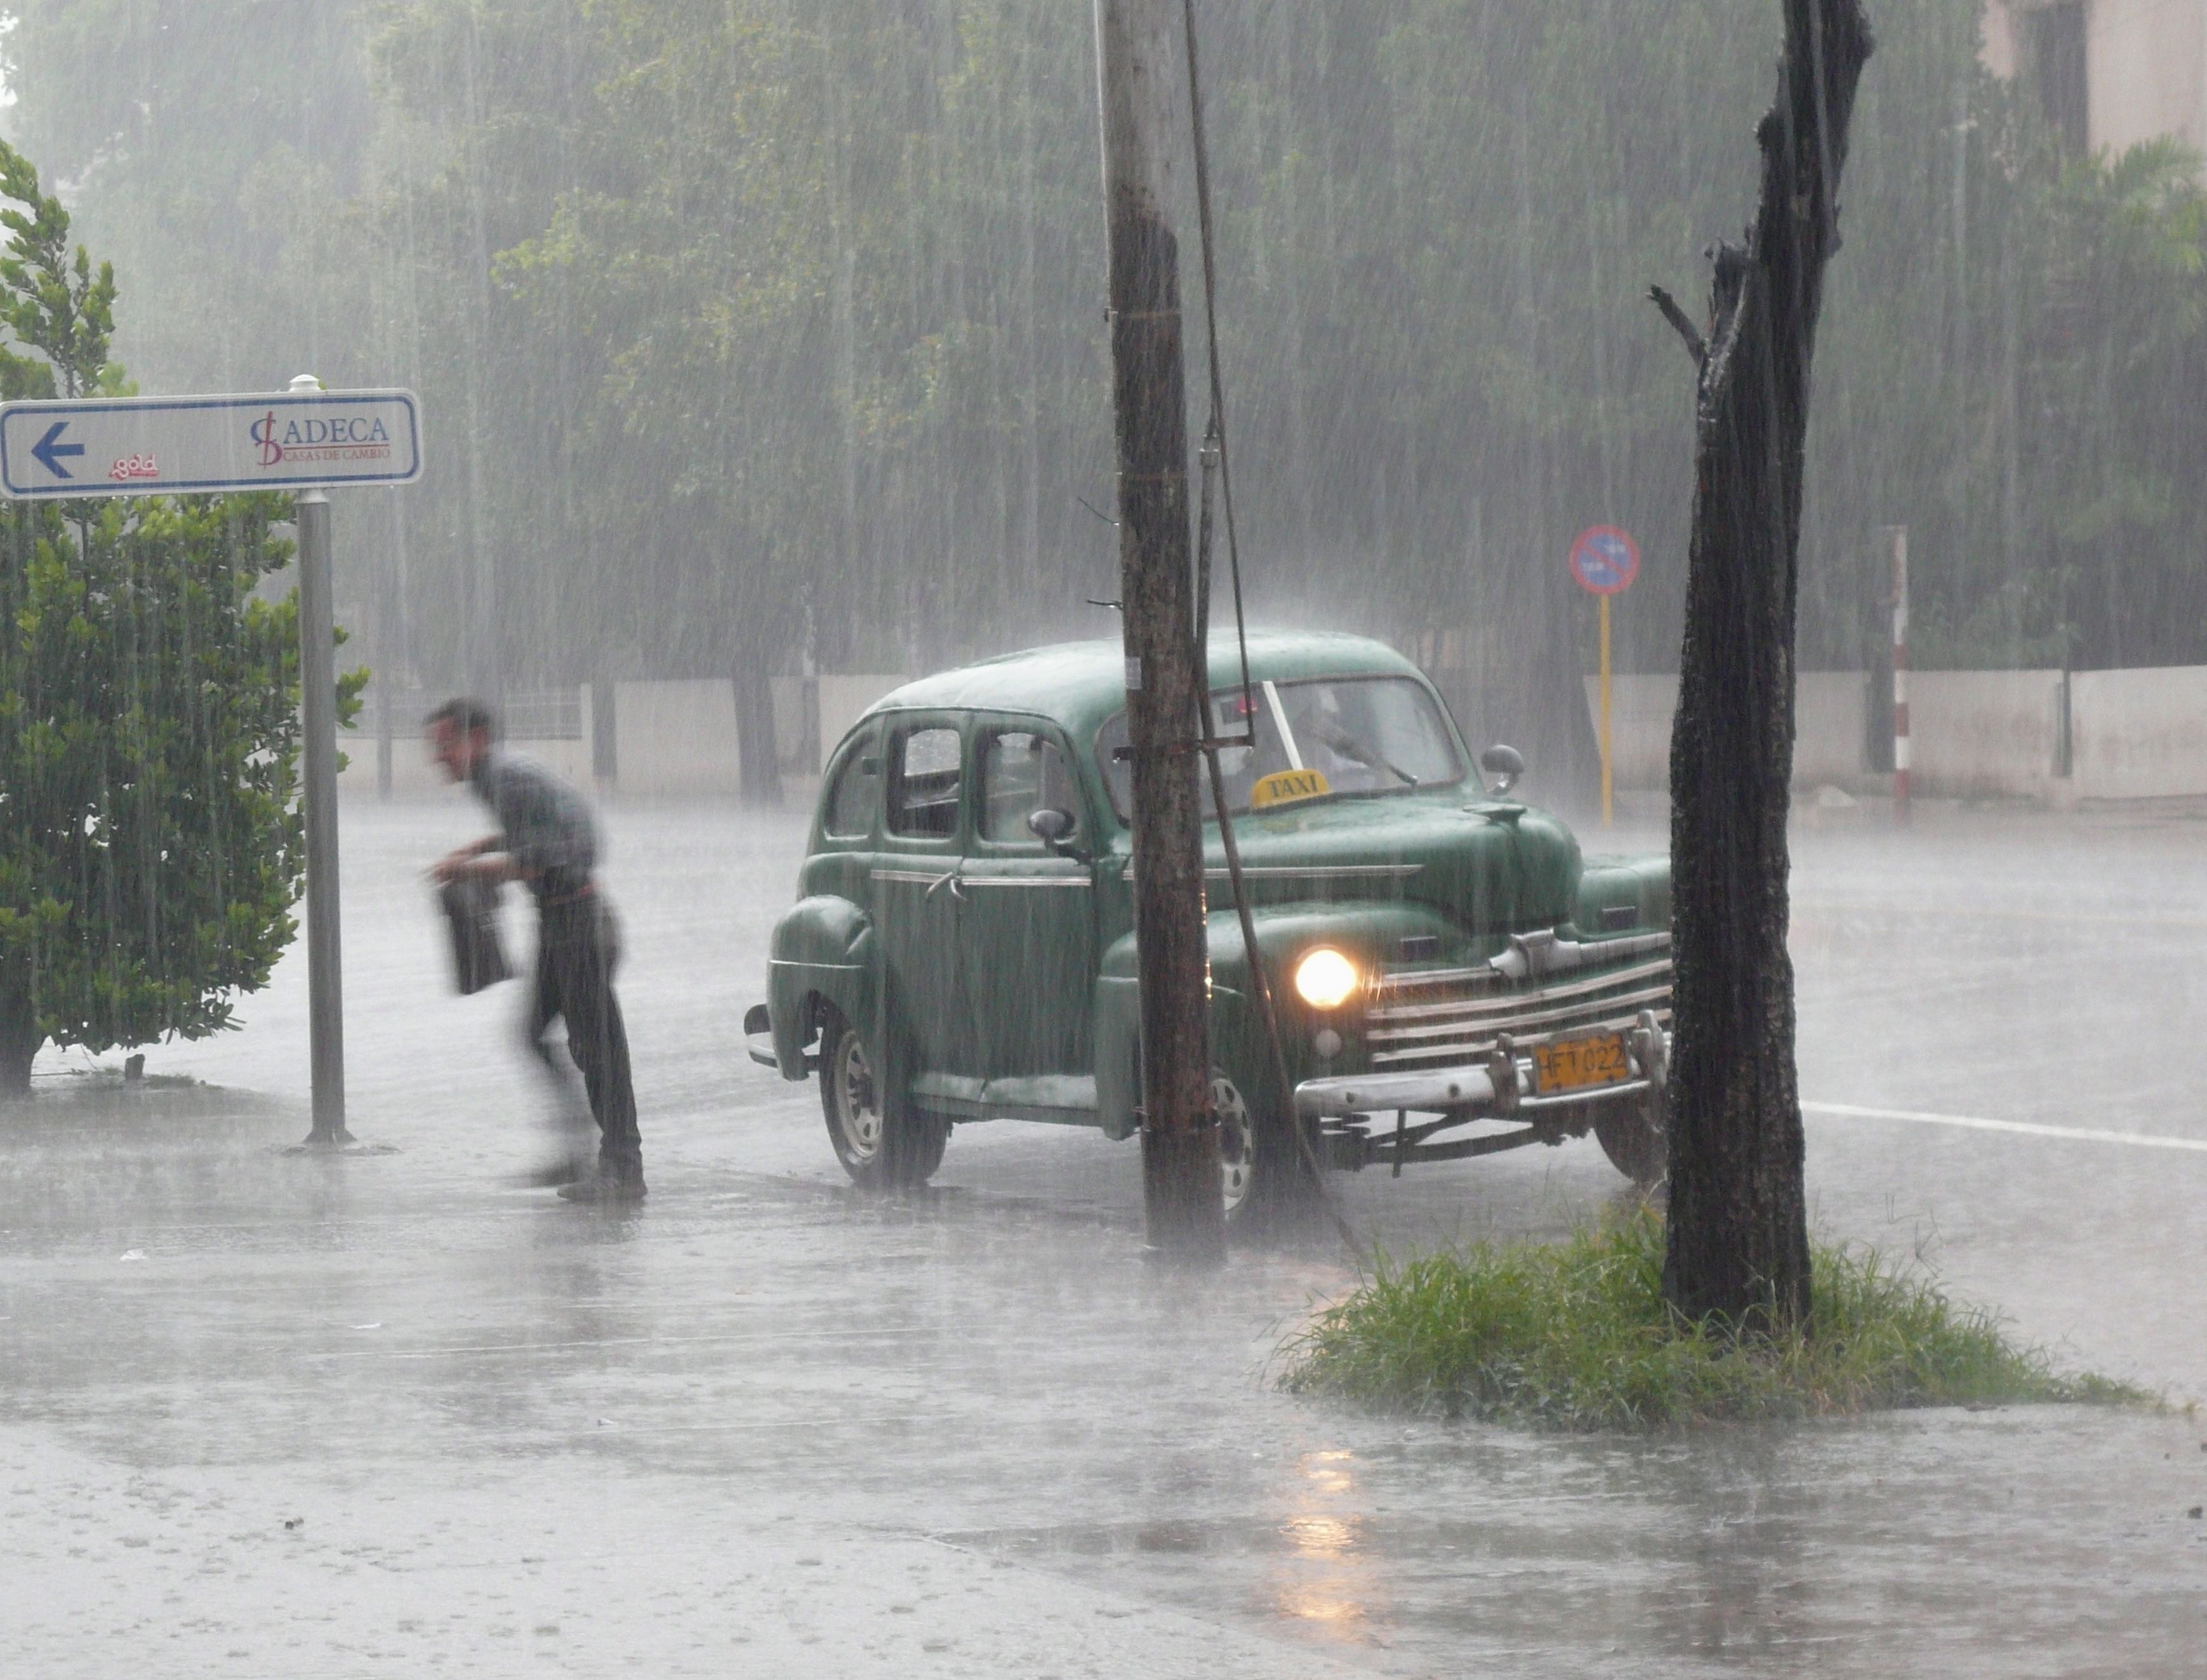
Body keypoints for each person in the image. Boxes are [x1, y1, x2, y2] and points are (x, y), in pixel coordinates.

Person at [426, 697, 646, 1202]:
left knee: (600, 1051)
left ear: (477, 738)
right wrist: (478, 849)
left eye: (445, 745)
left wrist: (469, 870)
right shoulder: (498, 776)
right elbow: (534, 832)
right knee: (532, 1033)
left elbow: (541, 857)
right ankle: (580, 1152)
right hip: (560, 924)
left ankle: (623, 1168)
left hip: (579, 923)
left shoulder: (506, 778)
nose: (438, 757)